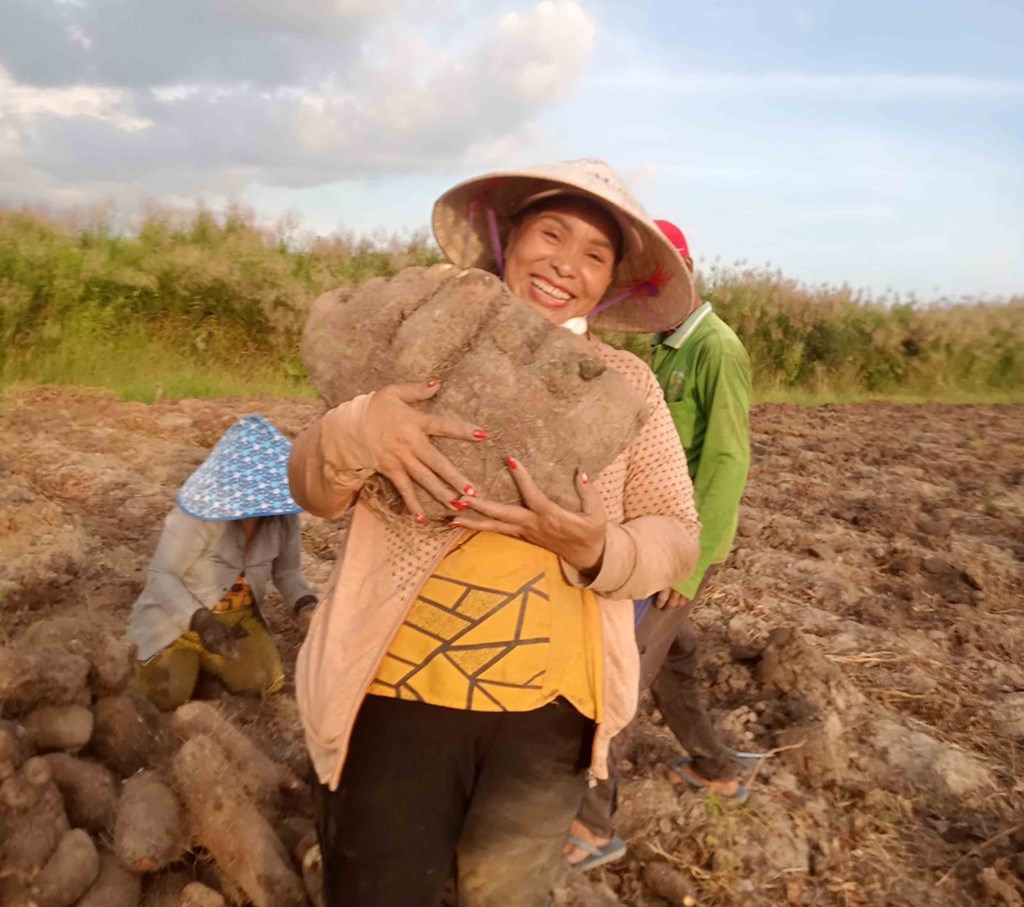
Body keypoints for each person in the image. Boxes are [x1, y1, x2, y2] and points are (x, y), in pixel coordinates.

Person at [289, 160, 702, 907]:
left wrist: (599, 549)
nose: (564, 265)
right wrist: (356, 427)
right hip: (399, 693)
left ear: (610, 283)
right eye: (551, 234)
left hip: (549, 717)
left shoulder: (626, 388)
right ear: (507, 238)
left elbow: (677, 532)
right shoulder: (427, 333)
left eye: (593, 255)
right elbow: (312, 491)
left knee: (501, 894)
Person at [566, 219, 753, 871]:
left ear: (685, 275)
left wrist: (692, 564)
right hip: (649, 535)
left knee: (615, 667)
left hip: (678, 549)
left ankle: (590, 825)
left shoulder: (716, 349)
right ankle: (718, 767)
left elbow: (727, 457)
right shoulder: (662, 348)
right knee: (677, 658)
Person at [130, 414, 318, 711]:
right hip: (178, 620)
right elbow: (161, 575)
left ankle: (207, 670)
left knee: (262, 681)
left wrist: (307, 607)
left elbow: (288, 572)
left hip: (236, 620)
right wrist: (201, 621)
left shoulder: (283, 518)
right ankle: (190, 665)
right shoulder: (197, 516)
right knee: (166, 693)